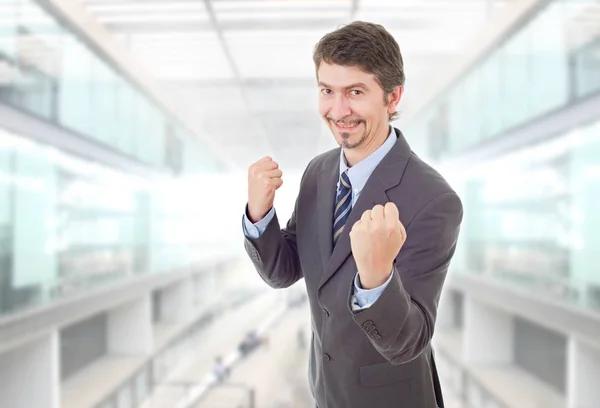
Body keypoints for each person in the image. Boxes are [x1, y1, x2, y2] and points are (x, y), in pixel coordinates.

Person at [242, 21, 463, 408]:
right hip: (326, 391)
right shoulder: (318, 172)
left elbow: (409, 341)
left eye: (355, 92)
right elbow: (285, 271)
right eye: (327, 90)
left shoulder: (434, 200)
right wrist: (259, 214)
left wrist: (376, 278)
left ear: (392, 98)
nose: (338, 110)